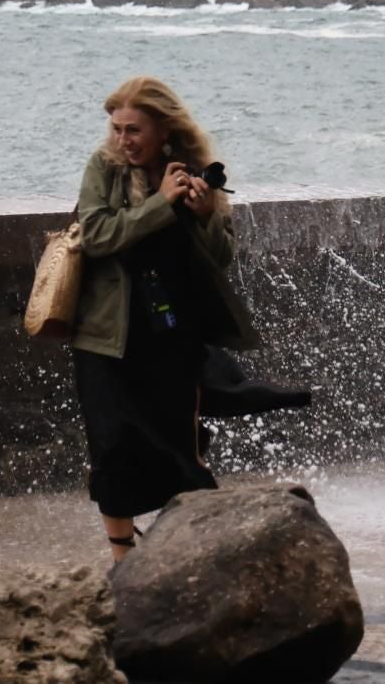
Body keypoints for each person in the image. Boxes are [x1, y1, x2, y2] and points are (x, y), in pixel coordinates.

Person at [72, 76, 260, 561]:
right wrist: (161, 205)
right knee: (111, 450)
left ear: (163, 129)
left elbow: (220, 258)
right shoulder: (105, 168)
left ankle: (187, 552)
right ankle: (123, 563)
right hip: (107, 335)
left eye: (133, 130)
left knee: (180, 449)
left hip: (172, 338)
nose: (122, 140)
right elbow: (95, 234)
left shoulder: (194, 170)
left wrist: (202, 215)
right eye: (116, 129)